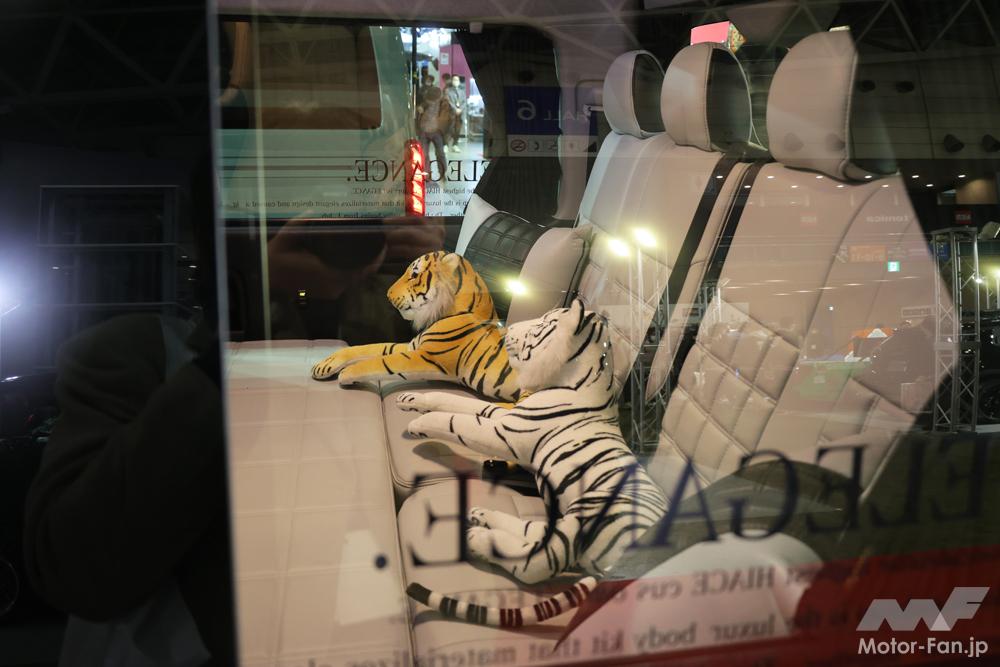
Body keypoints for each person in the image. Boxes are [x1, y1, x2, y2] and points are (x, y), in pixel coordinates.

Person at [416, 85, 450, 180]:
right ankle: (428, 175)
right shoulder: (424, 104)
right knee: (426, 154)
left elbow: (447, 119)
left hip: (436, 131)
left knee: (439, 153)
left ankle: (441, 173)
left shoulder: (443, 104)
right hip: (425, 131)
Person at [444, 75, 465, 152]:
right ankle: (445, 145)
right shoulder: (448, 90)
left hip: (460, 114)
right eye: (454, 80)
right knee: (449, 129)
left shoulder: (462, 91)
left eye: (457, 80)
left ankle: (455, 145)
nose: (456, 81)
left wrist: (460, 109)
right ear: (452, 81)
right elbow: (448, 101)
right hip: (451, 113)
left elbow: (464, 102)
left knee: (458, 130)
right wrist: (455, 109)